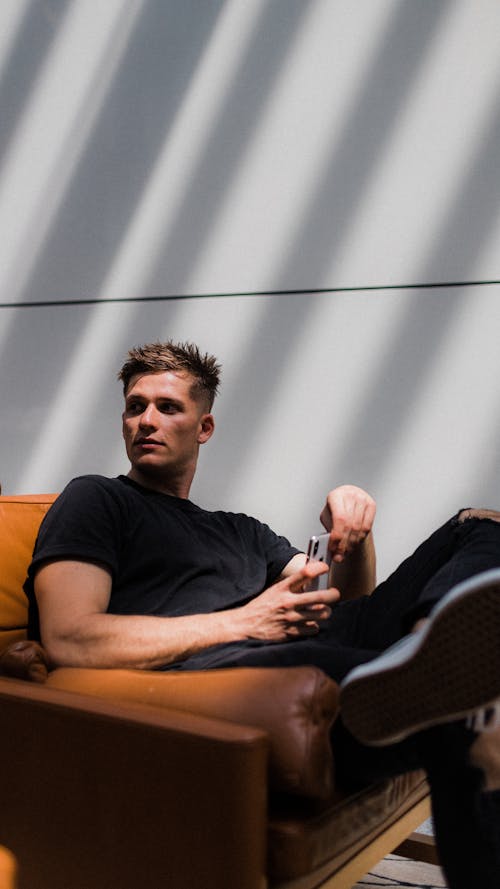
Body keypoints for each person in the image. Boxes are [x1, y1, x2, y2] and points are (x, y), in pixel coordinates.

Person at [25, 340, 500, 888]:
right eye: (136, 406)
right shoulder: (96, 499)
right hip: (216, 671)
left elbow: (343, 606)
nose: (146, 420)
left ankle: (430, 656)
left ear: (204, 427)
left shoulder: (242, 529)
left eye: (168, 407)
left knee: (480, 526)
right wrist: (246, 621)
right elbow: (70, 637)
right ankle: (435, 673)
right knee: (470, 721)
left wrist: (355, 538)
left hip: (293, 647)